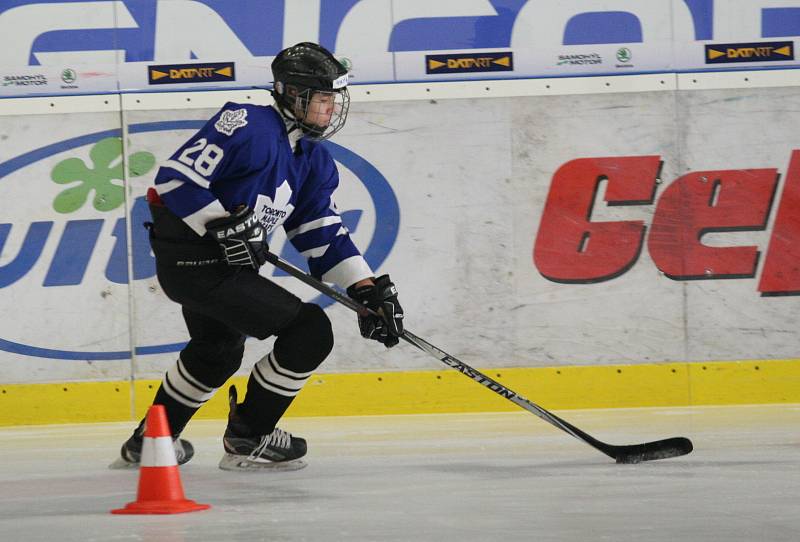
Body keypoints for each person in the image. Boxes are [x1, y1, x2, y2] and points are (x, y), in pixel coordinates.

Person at [112, 42, 404, 472]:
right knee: (310, 332)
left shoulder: (314, 159)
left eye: (333, 100)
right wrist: (218, 222)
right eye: (321, 99)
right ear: (289, 93)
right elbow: (174, 180)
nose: (329, 110)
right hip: (195, 261)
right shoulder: (248, 123)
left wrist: (364, 286)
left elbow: (319, 231)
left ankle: (152, 440)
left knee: (218, 349)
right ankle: (251, 434)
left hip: (223, 267)